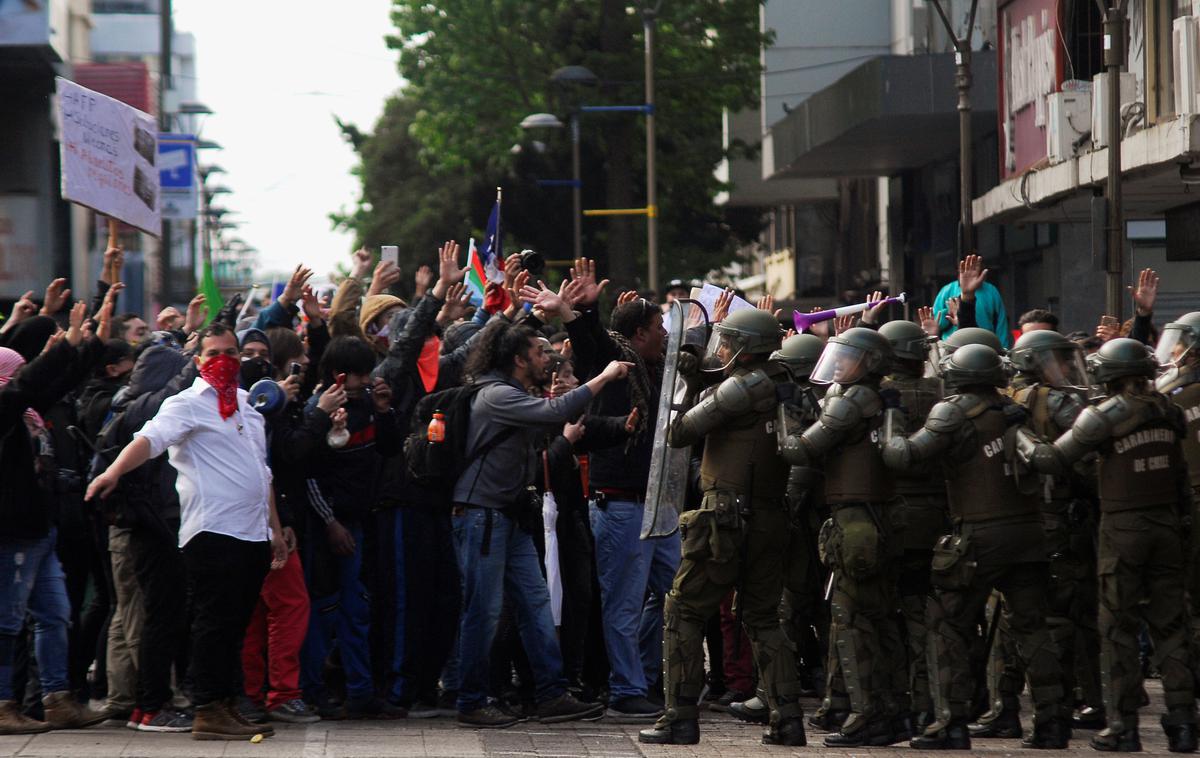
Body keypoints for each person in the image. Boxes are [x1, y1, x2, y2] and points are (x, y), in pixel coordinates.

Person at [87, 322, 288, 741]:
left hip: (251, 531)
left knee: (236, 622)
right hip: (212, 530)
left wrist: (275, 527)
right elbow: (150, 439)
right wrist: (112, 472)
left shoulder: (249, 404)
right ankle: (208, 708)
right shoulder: (188, 402)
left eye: (231, 353)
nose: (223, 361)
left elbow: (261, 471)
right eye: (214, 354)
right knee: (213, 622)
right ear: (199, 361)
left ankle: (227, 704)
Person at [883, 344, 1069, 750]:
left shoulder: (951, 411)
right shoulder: (1012, 411)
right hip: (1028, 534)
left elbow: (905, 456)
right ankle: (1053, 722)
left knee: (947, 625)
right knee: (1033, 627)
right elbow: (1042, 458)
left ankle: (950, 724)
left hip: (979, 537)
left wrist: (892, 416)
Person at [1023, 338, 1199, 752]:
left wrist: (1019, 436)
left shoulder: (1105, 415)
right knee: (1171, 628)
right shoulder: (1167, 410)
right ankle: (1183, 724)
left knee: (1117, 627)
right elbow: (1178, 476)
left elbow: (1051, 460)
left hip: (1123, 529)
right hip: (1166, 524)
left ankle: (1124, 727)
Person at [451, 319, 629, 728]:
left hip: (508, 517)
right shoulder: (495, 394)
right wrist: (604, 375)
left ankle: (551, 693)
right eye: (538, 353)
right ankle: (471, 699)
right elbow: (558, 412)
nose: (546, 359)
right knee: (484, 610)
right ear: (517, 359)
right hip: (482, 516)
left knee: (535, 605)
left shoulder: (511, 391)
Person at [640, 308, 806, 747]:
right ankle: (787, 719)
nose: (723, 350)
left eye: (728, 342)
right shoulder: (787, 381)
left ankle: (679, 717)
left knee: (684, 610)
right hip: (770, 516)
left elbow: (679, 432)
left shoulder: (740, 386)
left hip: (725, 517)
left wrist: (691, 381)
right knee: (764, 618)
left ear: (746, 348)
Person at [777, 327, 904, 747]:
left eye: (848, 357)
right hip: (873, 517)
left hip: (856, 521)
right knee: (878, 618)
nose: (838, 364)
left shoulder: (853, 401)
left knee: (851, 620)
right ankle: (888, 710)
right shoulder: (868, 397)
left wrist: (786, 418)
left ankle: (867, 715)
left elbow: (801, 450)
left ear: (867, 363)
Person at [0, 307, 110, 735]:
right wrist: (61, 346)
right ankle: (4, 702)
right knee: (7, 622)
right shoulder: (5, 411)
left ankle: (57, 697)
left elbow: (59, 383)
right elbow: (27, 385)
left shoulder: (23, 412)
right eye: (17, 370)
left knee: (56, 614)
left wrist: (87, 345)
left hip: (39, 532)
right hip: (12, 533)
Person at [933, 254, 1010, 349]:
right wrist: (948, 313)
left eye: (976, 266)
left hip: (986, 347)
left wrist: (1003, 350)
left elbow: (1001, 324)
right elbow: (936, 324)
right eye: (967, 266)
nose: (971, 270)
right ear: (959, 269)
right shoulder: (947, 290)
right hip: (952, 348)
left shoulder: (991, 291)